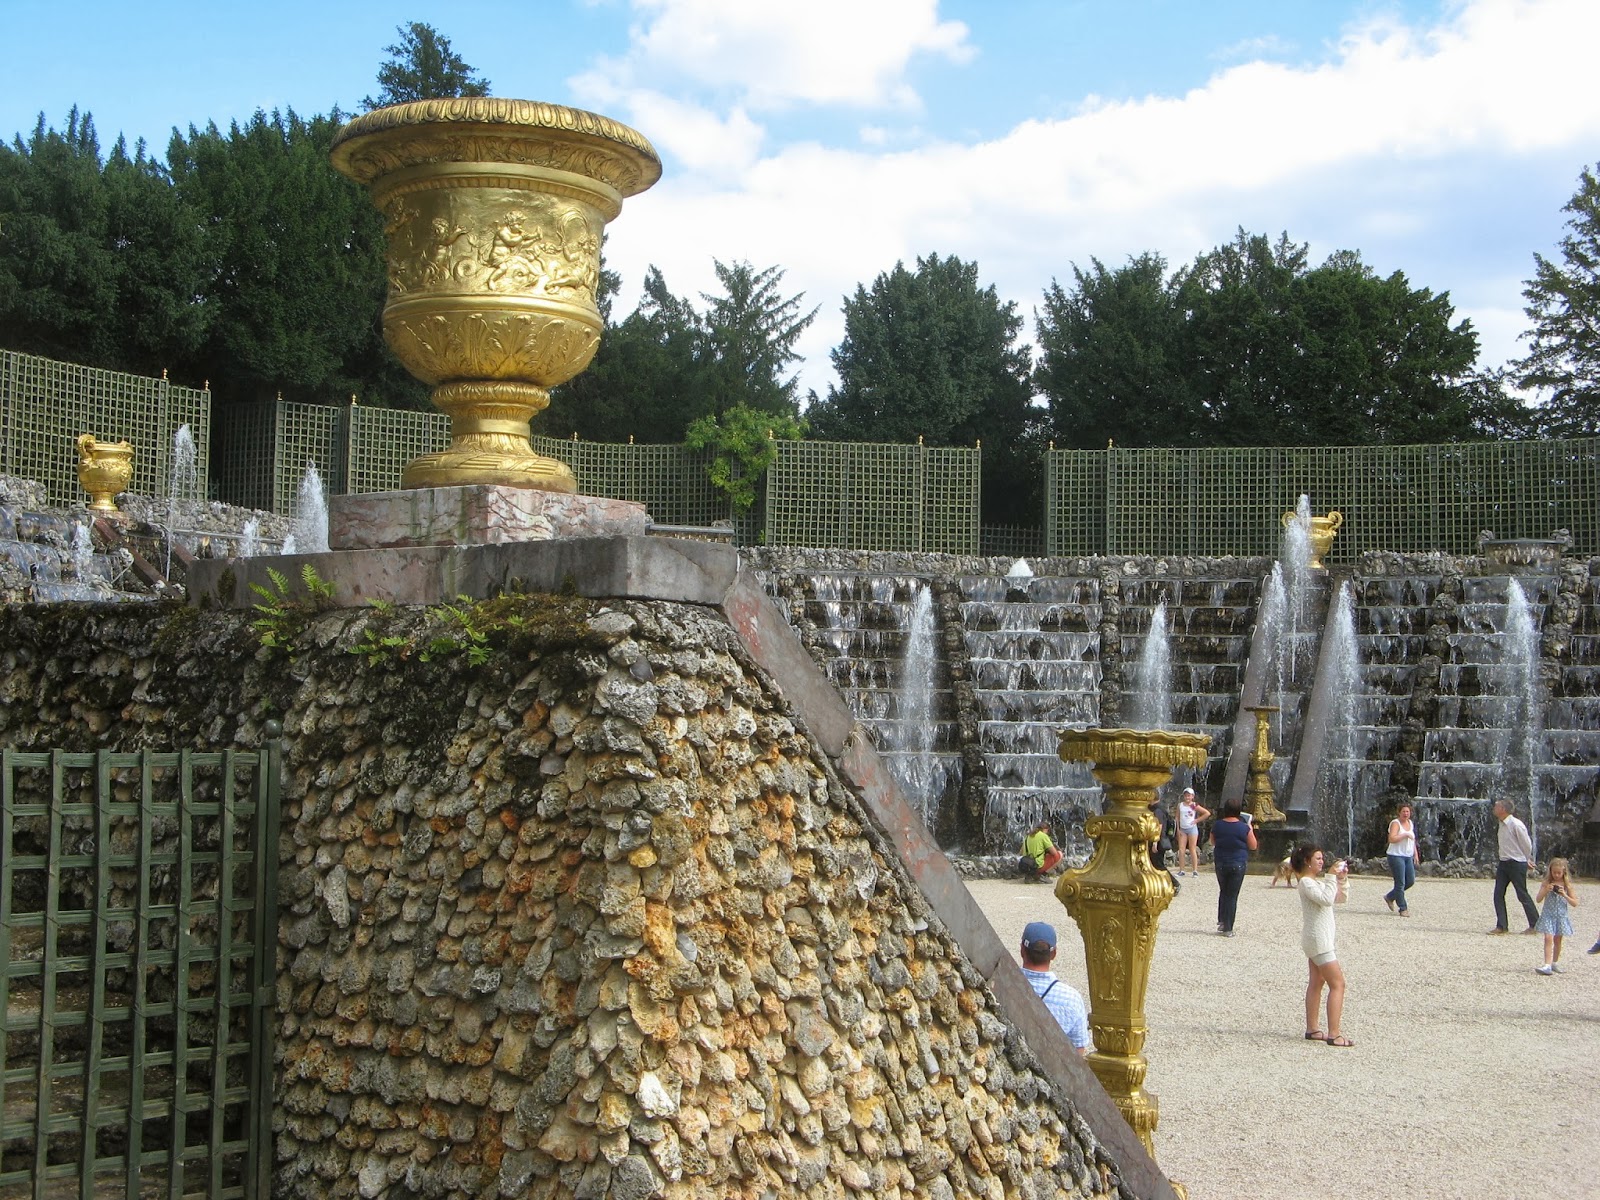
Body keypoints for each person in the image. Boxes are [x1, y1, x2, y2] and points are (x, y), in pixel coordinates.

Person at [1292, 843, 1353, 1047]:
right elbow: (1327, 900)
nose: (1321, 861)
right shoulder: (1306, 883)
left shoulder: (1315, 883)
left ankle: (1312, 1028)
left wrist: (1341, 880)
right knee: (1338, 984)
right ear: (1307, 862)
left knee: (1317, 982)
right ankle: (1334, 1033)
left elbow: (1338, 898)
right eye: (1317, 858)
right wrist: (1330, 876)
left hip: (1317, 940)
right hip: (1319, 941)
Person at [1018, 921, 1090, 1054]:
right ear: (1054, 954)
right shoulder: (1072, 999)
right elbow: (1078, 1050)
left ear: (1022, 950)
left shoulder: (1002, 983)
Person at [1488, 799, 1540, 934]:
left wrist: (1526, 859)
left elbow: (1526, 844)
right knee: (1498, 894)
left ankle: (1535, 924)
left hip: (1516, 863)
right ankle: (1502, 926)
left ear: (1503, 809)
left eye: (1497, 806)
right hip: (1504, 862)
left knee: (1522, 894)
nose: (1494, 808)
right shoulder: (1501, 823)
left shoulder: (1516, 824)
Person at [1208, 800, 1256, 936]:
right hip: (1238, 863)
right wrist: (1250, 828)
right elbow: (1253, 845)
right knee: (1232, 895)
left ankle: (1222, 921)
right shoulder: (1244, 827)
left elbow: (1212, 841)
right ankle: (1228, 928)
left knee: (1223, 891)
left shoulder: (1217, 825)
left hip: (1221, 863)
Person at [1533, 857, 1579, 975]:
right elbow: (1538, 899)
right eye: (1554, 872)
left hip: (1561, 916)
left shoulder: (1567, 885)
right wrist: (1546, 890)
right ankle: (1547, 965)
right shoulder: (1546, 883)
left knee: (1558, 940)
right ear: (1550, 871)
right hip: (1548, 915)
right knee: (1548, 938)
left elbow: (1575, 903)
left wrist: (1564, 895)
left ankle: (1554, 962)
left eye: (1559, 873)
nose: (1556, 875)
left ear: (1564, 872)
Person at [1384, 803, 1421, 916]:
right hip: (1396, 855)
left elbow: (1412, 840)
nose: (1406, 814)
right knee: (1400, 883)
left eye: (1407, 812)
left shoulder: (1410, 823)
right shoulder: (1395, 823)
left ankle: (1390, 897)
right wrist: (1404, 835)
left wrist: (1415, 854)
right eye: (1404, 811)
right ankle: (1403, 908)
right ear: (1399, 812)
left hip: (1407, 855)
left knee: (1410, 881)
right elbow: (1391, 839)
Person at [1175, 787, 1212, 877]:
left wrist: (1197, 820)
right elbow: (1177, 817)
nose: (1187, 797)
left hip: (1192, 828)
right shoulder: (1180, 805)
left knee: (1192, 849)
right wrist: (1178, 829)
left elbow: (1207, 813)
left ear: (1192, 796)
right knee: (1181, 849)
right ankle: (1181, 870)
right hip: (1183, 829)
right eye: (1186, 795)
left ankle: (1195, 870)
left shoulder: (1193, 805)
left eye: (1189, 795)